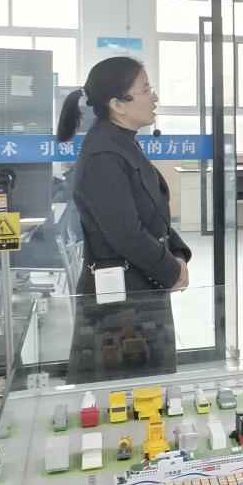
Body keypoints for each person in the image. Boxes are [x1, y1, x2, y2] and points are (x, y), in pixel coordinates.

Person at [56, 57, 190, 381]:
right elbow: (126, 233)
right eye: (146, 89)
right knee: (124, 398)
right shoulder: (103, 156)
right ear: (117, 104)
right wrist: (171, 270)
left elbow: (151, 213)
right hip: (120, 305)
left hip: (140, 288)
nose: (154, 97)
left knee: (148, 397)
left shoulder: (121, 143)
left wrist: (178, 254)